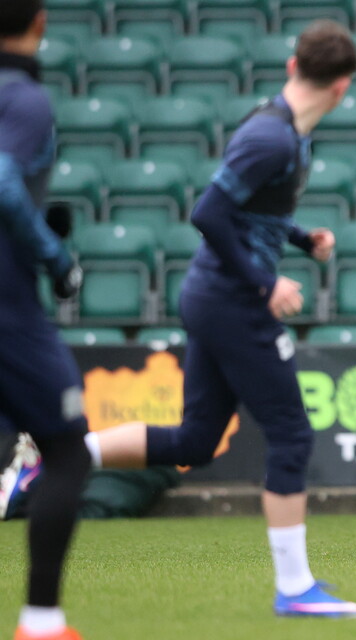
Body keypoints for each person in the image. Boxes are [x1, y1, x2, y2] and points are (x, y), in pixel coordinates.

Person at [64, 20, 356, 618]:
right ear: (343, 88)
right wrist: (265, 281)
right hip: (231, 300)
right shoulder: (272, 137)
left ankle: (69, 455)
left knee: (196, 440)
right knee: (292, 434)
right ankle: (295, 588)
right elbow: (209, 213)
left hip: (215, 296)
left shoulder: (286, 131)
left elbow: (252, 212)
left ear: (291, 66)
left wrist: (302, 240)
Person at [0, 1, 91, 638]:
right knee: (67, 451)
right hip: (7, 303)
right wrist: (56, 257)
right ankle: (41, 620)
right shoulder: (25, 98)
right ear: (40, 21)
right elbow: (4, 179)